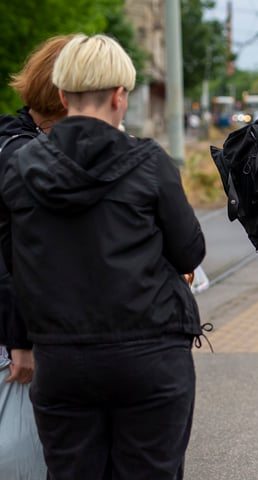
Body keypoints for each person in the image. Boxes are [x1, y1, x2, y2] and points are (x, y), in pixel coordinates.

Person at [0, 33, 205, 479]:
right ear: (119, 95)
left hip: (62, 360)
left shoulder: (18, 166)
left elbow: (14, 264)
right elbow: (189, 250)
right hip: (149, 355)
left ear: (60, 94)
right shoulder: (149, 161)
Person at [0, 34, 72, 480]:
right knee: (25, 455)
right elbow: (12, 253)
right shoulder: (20, 153)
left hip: (36, 328)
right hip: (18, 334)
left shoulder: (21, 141)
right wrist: (19, 341)